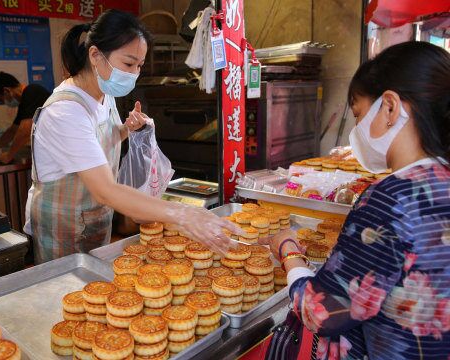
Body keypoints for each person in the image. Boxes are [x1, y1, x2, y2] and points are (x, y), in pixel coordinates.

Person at [265, 41, 450, 359]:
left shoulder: (389, 201)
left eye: (359, 115)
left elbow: (321, 313)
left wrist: (288, 250)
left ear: (390, 107)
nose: (356, 130)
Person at [26, 9, 241, 263]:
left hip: (93, 219)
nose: (134, 73)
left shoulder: (104, 94)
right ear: (95, 55)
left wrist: (126, 130)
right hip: (61, 228)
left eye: (139, 65)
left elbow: (99, 143)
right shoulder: (66, 111)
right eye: (128, 63)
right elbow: (105, 190)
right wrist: (182, 214)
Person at [0, 72, 51, 164]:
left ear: (7, 91)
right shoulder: (24, 102)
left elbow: (25, 131)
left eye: (1, 99)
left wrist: (9, 155)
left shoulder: (32, 92)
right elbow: (13, 131)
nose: (3, 102)